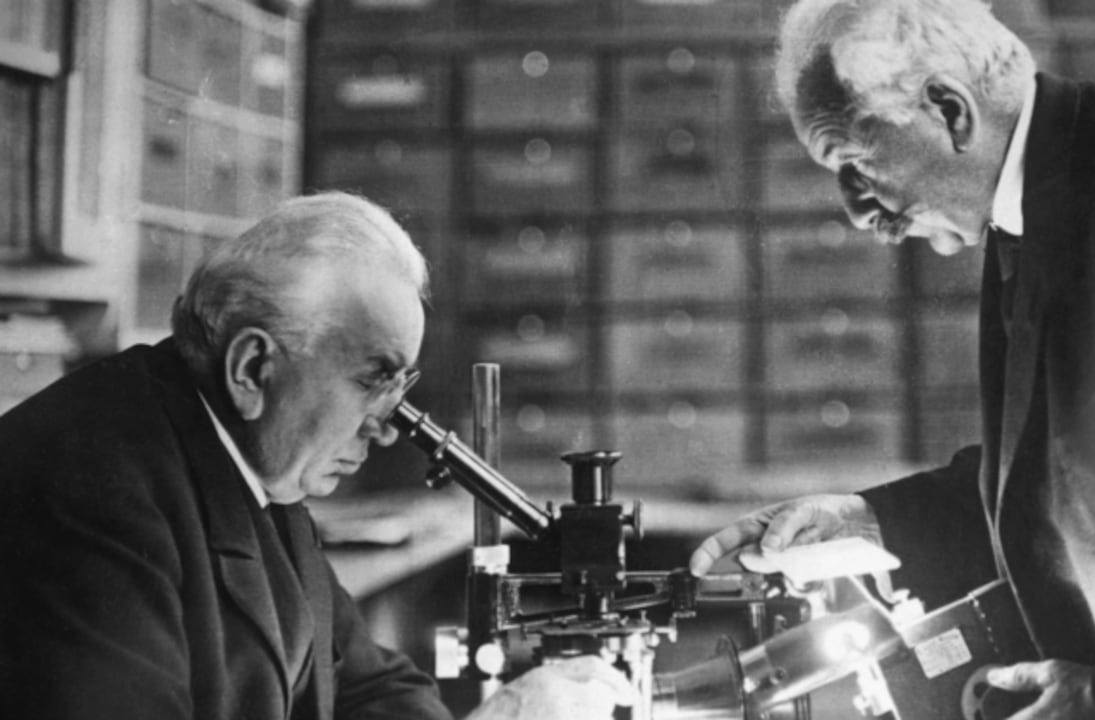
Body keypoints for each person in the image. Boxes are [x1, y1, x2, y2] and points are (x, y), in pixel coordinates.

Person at [689, 1, 1095, 718]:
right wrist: (873, 522)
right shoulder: (1036, 201)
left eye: (855, 162)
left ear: (949, 110)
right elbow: (1064, 472)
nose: (856, 211)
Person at [0, 192, 634, 720]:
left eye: (400, 387)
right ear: (253, 368)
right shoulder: (88, 490)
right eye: (373, 379)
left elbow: (368, 686)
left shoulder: (254, 459)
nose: (387, 430)